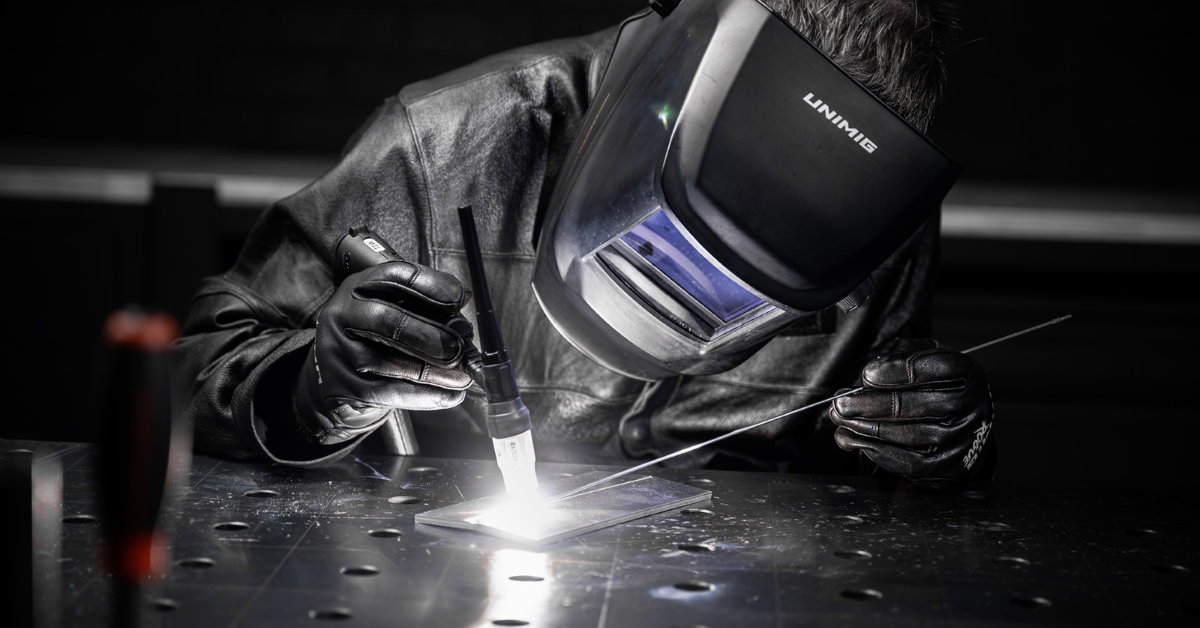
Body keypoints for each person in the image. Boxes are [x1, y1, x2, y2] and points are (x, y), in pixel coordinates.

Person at [173, 0, 995, 488]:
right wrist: (317, 389)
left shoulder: (877, 229)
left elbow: (865, 466)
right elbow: (194, 367)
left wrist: (934, 443)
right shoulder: (448, 141)